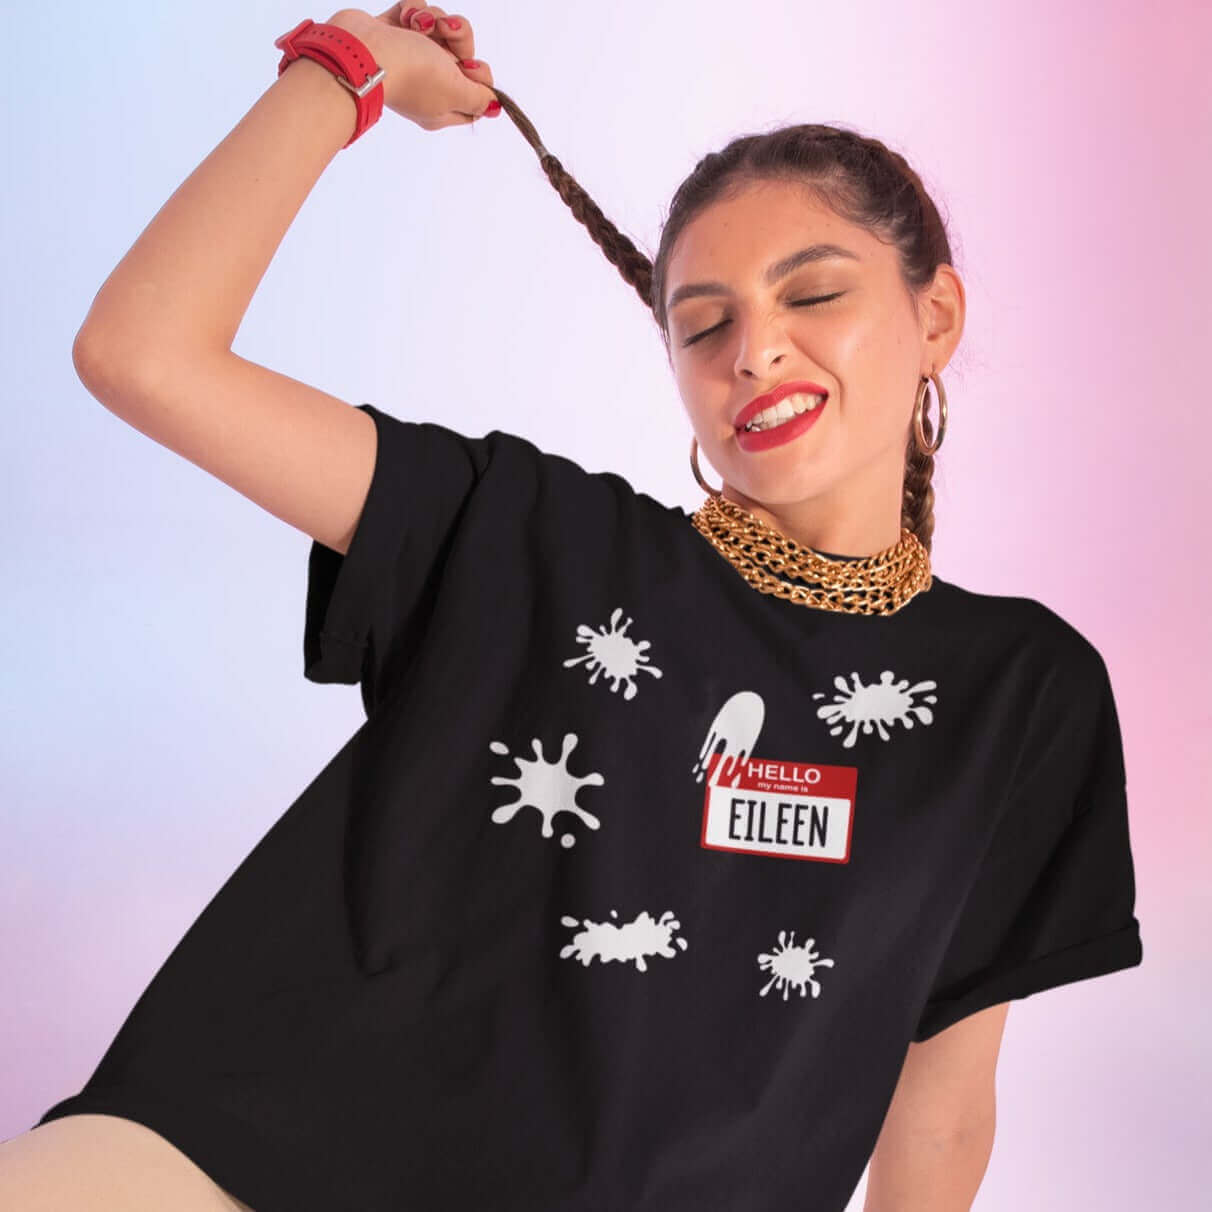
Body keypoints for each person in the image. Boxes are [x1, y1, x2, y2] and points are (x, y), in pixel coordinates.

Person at [0, 5, 1143, 1211]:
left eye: (812, 295)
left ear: (936, 317)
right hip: (238, 1166)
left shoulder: (1021, 692)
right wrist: (345, 71)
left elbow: (942, 1111)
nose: (754, 351)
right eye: (703, 324)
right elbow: (144, 354)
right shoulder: (533, 535)